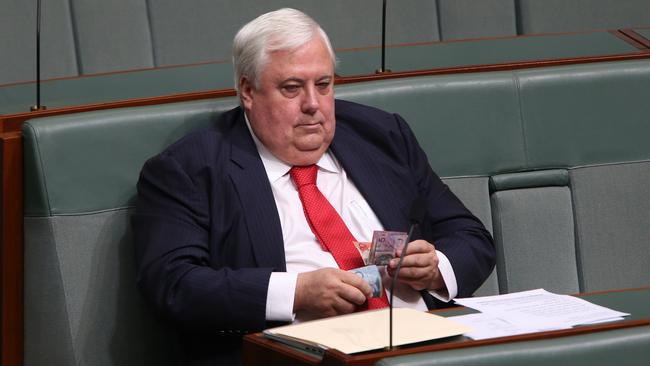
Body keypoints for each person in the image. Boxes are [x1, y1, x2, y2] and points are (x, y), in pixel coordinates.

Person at [133, 8, 495, 365]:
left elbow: (470, 237)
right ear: (248, 91)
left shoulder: (382, 137)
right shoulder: (191, 168)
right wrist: (296, 293)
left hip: (430, 345)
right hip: (301, 355)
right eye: (292, 88)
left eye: (323, 85)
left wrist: (436, 268)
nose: (313, 105)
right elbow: (173, 285)